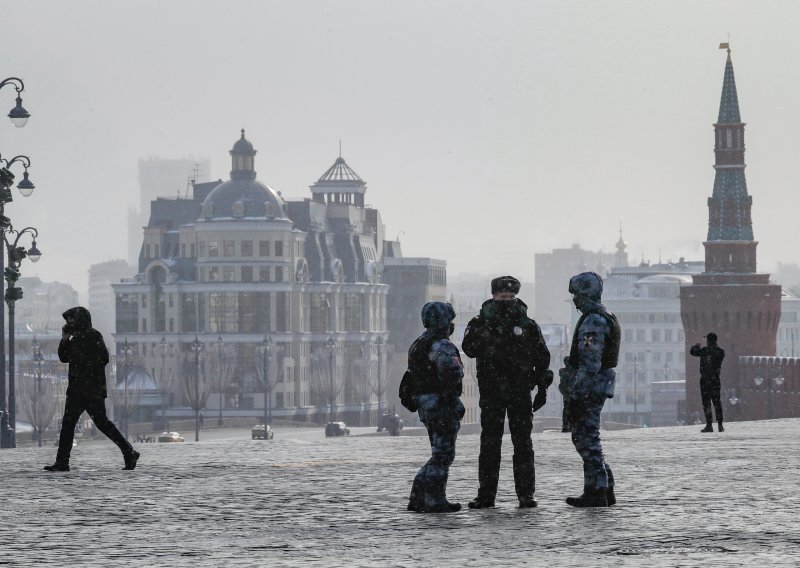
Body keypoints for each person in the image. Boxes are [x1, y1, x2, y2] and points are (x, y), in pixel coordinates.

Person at [462, 275, 551, 509]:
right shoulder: (480, 322)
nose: (507, 300)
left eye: (511, 297)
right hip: (491, 391)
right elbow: (468, 348)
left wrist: (542, 387)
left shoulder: (527, 324)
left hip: (520, 389)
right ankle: (486, 495)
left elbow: (542, 357)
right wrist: (488, 335)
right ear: (493, 296)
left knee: (522, 443)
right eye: (503, 297)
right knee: (490, 443)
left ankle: (525, 494)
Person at [44, 306, 140, 472]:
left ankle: (128, 451)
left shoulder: (93, 335)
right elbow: (64, 357)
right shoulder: (75, 338)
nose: (69, 324)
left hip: (89, 390)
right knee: (71, 424)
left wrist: (85, 368)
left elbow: (103, 358)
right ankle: (62, 461)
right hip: (79, 389)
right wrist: (64, 339)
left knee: (99, 423)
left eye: (72, 321)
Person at [561, 272, 620, 507]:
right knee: (588, 438)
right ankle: (603, 487)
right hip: (597, 386)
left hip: (590, 389)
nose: (575, 300)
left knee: (586, 439)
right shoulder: (603, 316)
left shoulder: (593, 321)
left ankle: (598, 490)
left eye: (577, 294)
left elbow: (590, 363)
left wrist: (575, 392)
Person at [407, 302, 465, 513]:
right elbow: (453, 375)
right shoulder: (442, 345)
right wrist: (451, 401)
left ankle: (418, 496)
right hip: (442, 405)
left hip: (425, 404)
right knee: (443, 454)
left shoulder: (418, 344)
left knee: (437, 453)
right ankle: (434, 498)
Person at [689, 333, 725, 433]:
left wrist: (696, 346)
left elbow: (692, 352)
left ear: (709, 341)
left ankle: (709, 425)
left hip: (705, 380)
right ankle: (720, 425)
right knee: (717, 402)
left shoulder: (705, 350)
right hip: (716, 380)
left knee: (706, 403)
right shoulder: (721, 352)